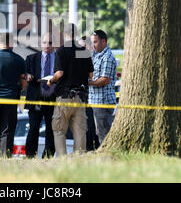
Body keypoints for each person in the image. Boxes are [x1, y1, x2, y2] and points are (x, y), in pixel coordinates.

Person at [47, 23, 93, 156]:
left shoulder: (61, 51)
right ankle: (78, 160)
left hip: (64, 96)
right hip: (80, 97)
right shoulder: (84, 50)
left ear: (64, 34)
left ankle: (62, 159)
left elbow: (59, 73)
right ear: (76, 34)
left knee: (59, 130)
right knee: (80, 131)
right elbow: (91, 75)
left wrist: (51, 81)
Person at [25, 32, 56, 158]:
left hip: (53, 99)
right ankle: (30, 156)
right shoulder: (31, 58)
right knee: (33, 129)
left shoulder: (59, 59)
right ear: (40, 44)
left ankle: (47, 157)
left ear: (54, 45)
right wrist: (27, 75)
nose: (47, 46)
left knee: (51, 130)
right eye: (44, 43)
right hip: (36, 99)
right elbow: (24, 73)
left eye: (50, 43)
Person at [88, 29, 117, 145]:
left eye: (95, 42)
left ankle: (107, 158)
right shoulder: (96, 55)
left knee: (104, 133)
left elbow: (105, 80)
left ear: (103, 41)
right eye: (92, 42)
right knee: (99, 132)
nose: (93, 45)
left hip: (103, 102)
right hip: (95, 101)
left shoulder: (108, 57)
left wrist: (88, 82)